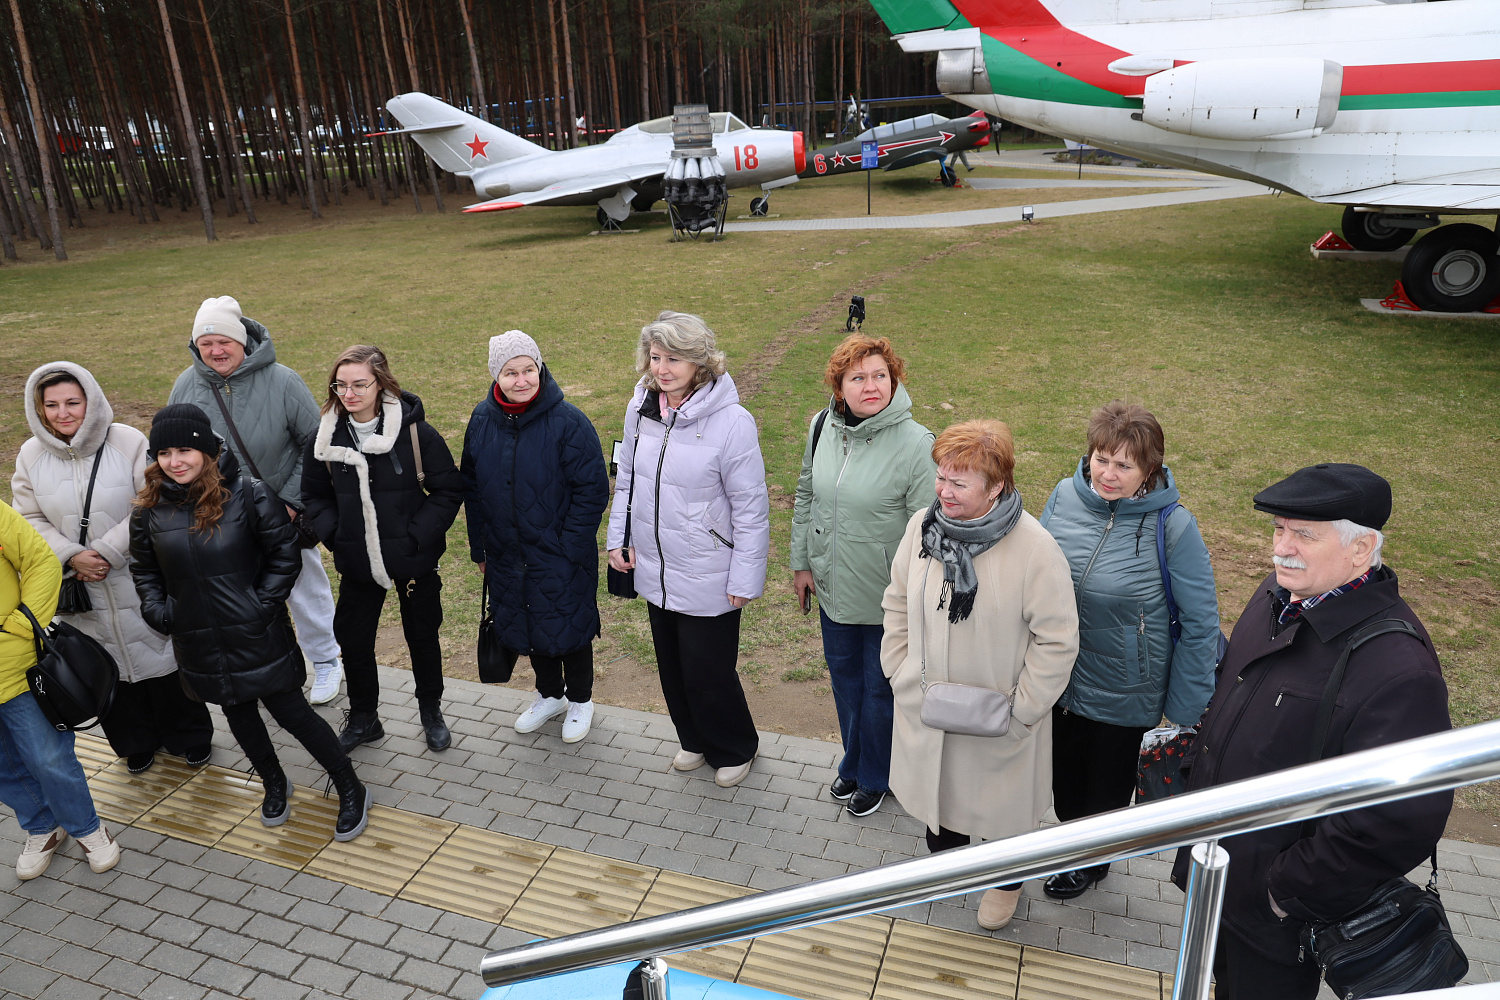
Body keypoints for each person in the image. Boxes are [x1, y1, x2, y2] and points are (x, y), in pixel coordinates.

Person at [1171, 464, 1452, 1000]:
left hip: (1280, 919)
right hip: (1215, 875)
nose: (1282, 548)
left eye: (1304, 535)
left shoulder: (1397, 668)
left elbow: (1399, 820)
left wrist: (1280, 891)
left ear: (1362, 549)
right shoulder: (1276, 596)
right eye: (1279, 528)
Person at [131, 404, 371, 841]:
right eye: (164, 452)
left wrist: (260, 605)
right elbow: (144, 570)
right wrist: (160, 612)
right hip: (197, 639)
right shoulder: (148, 510)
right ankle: (274, 782)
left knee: (293, 714)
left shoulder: (249, 493)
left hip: (256, 631)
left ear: (206, 450)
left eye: (184, 449)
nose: (174, 461)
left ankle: (349, 783)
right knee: (238, 715)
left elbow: (284, 554)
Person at [881, 420, 1078, 931]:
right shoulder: (922, 530)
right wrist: (900, 671)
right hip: (928, 712)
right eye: (941, 477)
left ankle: (1004, 883)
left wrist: (1023, 713)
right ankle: (951, 866)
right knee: (941, 813)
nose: (943, 491)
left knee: (1000, 822)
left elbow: (1057, 641)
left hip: (999, 725)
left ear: (996, 488)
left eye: (959, 483)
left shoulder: (1035, 549)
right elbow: (898, 601)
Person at [1037, 401, 1219, 900]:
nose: (1107, 474)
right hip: (1060, 676)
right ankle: (1075, 842)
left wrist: (1182, 711)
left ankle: (1089, 861)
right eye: (1101, 458)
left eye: (1124, 465)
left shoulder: (1175, 526)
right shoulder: (1062, 497)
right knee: (1065, 781)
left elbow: (1202, 623)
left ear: (1149, 471)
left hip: (1125, 689)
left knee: (1104, 788)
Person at [13, 363, 214, 773]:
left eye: (73, 401)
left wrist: (106, 551)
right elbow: (28, 518)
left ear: (91, 399)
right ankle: (134, 742)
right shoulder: (30, 455)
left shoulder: (127, 441)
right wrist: (71, 555)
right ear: (39, 408)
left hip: (136, 573)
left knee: (162, 657)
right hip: (81, 586)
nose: (62, 413)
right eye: (51, 405)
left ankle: (189, 735)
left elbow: (154, 498)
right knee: (104, 665)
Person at [606, 311, 769, 788]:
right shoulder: (641, 409)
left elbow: (751, 508)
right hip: (655, 563)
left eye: (673, 358)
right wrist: (619, 539)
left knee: (708, 670)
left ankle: (735, 746)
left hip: (709, 568)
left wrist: (744, 578)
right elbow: (628, 481)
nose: (661, 368)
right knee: (672, 666)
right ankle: (694, 738)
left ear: (701, 363)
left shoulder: (732, 422)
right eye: (656, 357)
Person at [168, 296, 344, 705]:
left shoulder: (282, 380)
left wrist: (291, 501)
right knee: (239, 596)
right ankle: (267, 669)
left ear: (242, 340)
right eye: (206, 342)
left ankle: (326, 660)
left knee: (303, 584)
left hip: (282, 509)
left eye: (223, 341)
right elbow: (173, 450)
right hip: (219, 515)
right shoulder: (185, 385)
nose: (216, 350)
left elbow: (317, 443)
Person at [791, 334, 935, 817]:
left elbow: (925, 534)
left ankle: (877, 776)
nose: (871, 386)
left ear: (894, 380)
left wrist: (913, 597)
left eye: (880, 376)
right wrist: (802, 563)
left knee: (880, 690)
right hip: (833, 588)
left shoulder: (917, 444)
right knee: (845, 681)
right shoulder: (821, 427)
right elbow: (807, 494)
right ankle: (854, 762)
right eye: (858, 378)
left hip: (886, 599)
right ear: (840, 387)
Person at [302, 346, 464, 753]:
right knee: (353, 639)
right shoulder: (323, 439)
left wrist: (416, 535)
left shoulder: (414, 433)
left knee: (421, 637)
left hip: (412, 558)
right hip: (357, 560)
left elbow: (447, 491)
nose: (349, 393)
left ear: (381, 383)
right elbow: (314, 497)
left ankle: (431, 711)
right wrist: (337, 536)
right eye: (341, 385)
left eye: (360, 384)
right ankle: (364, 718)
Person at [462, 332, 609, 743]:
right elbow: (471, 489)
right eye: (511, 372)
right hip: (507, 552)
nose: (522, 380)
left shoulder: (569, 422)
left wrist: (571, 545)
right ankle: (550, 694)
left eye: (529, 369)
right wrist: (481, 548)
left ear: (540, 369)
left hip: (559, 553)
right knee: (528, 621)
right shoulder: (480, 420)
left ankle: (581, 700)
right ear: (496, 375)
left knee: (569, 625)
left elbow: (592, 489)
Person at [0, 502, 122, 880]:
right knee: (3, 765)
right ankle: (42, 826)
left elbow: (41, 561)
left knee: (48, 757)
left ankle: (85, 826)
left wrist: (21, 626)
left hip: (13, 665)